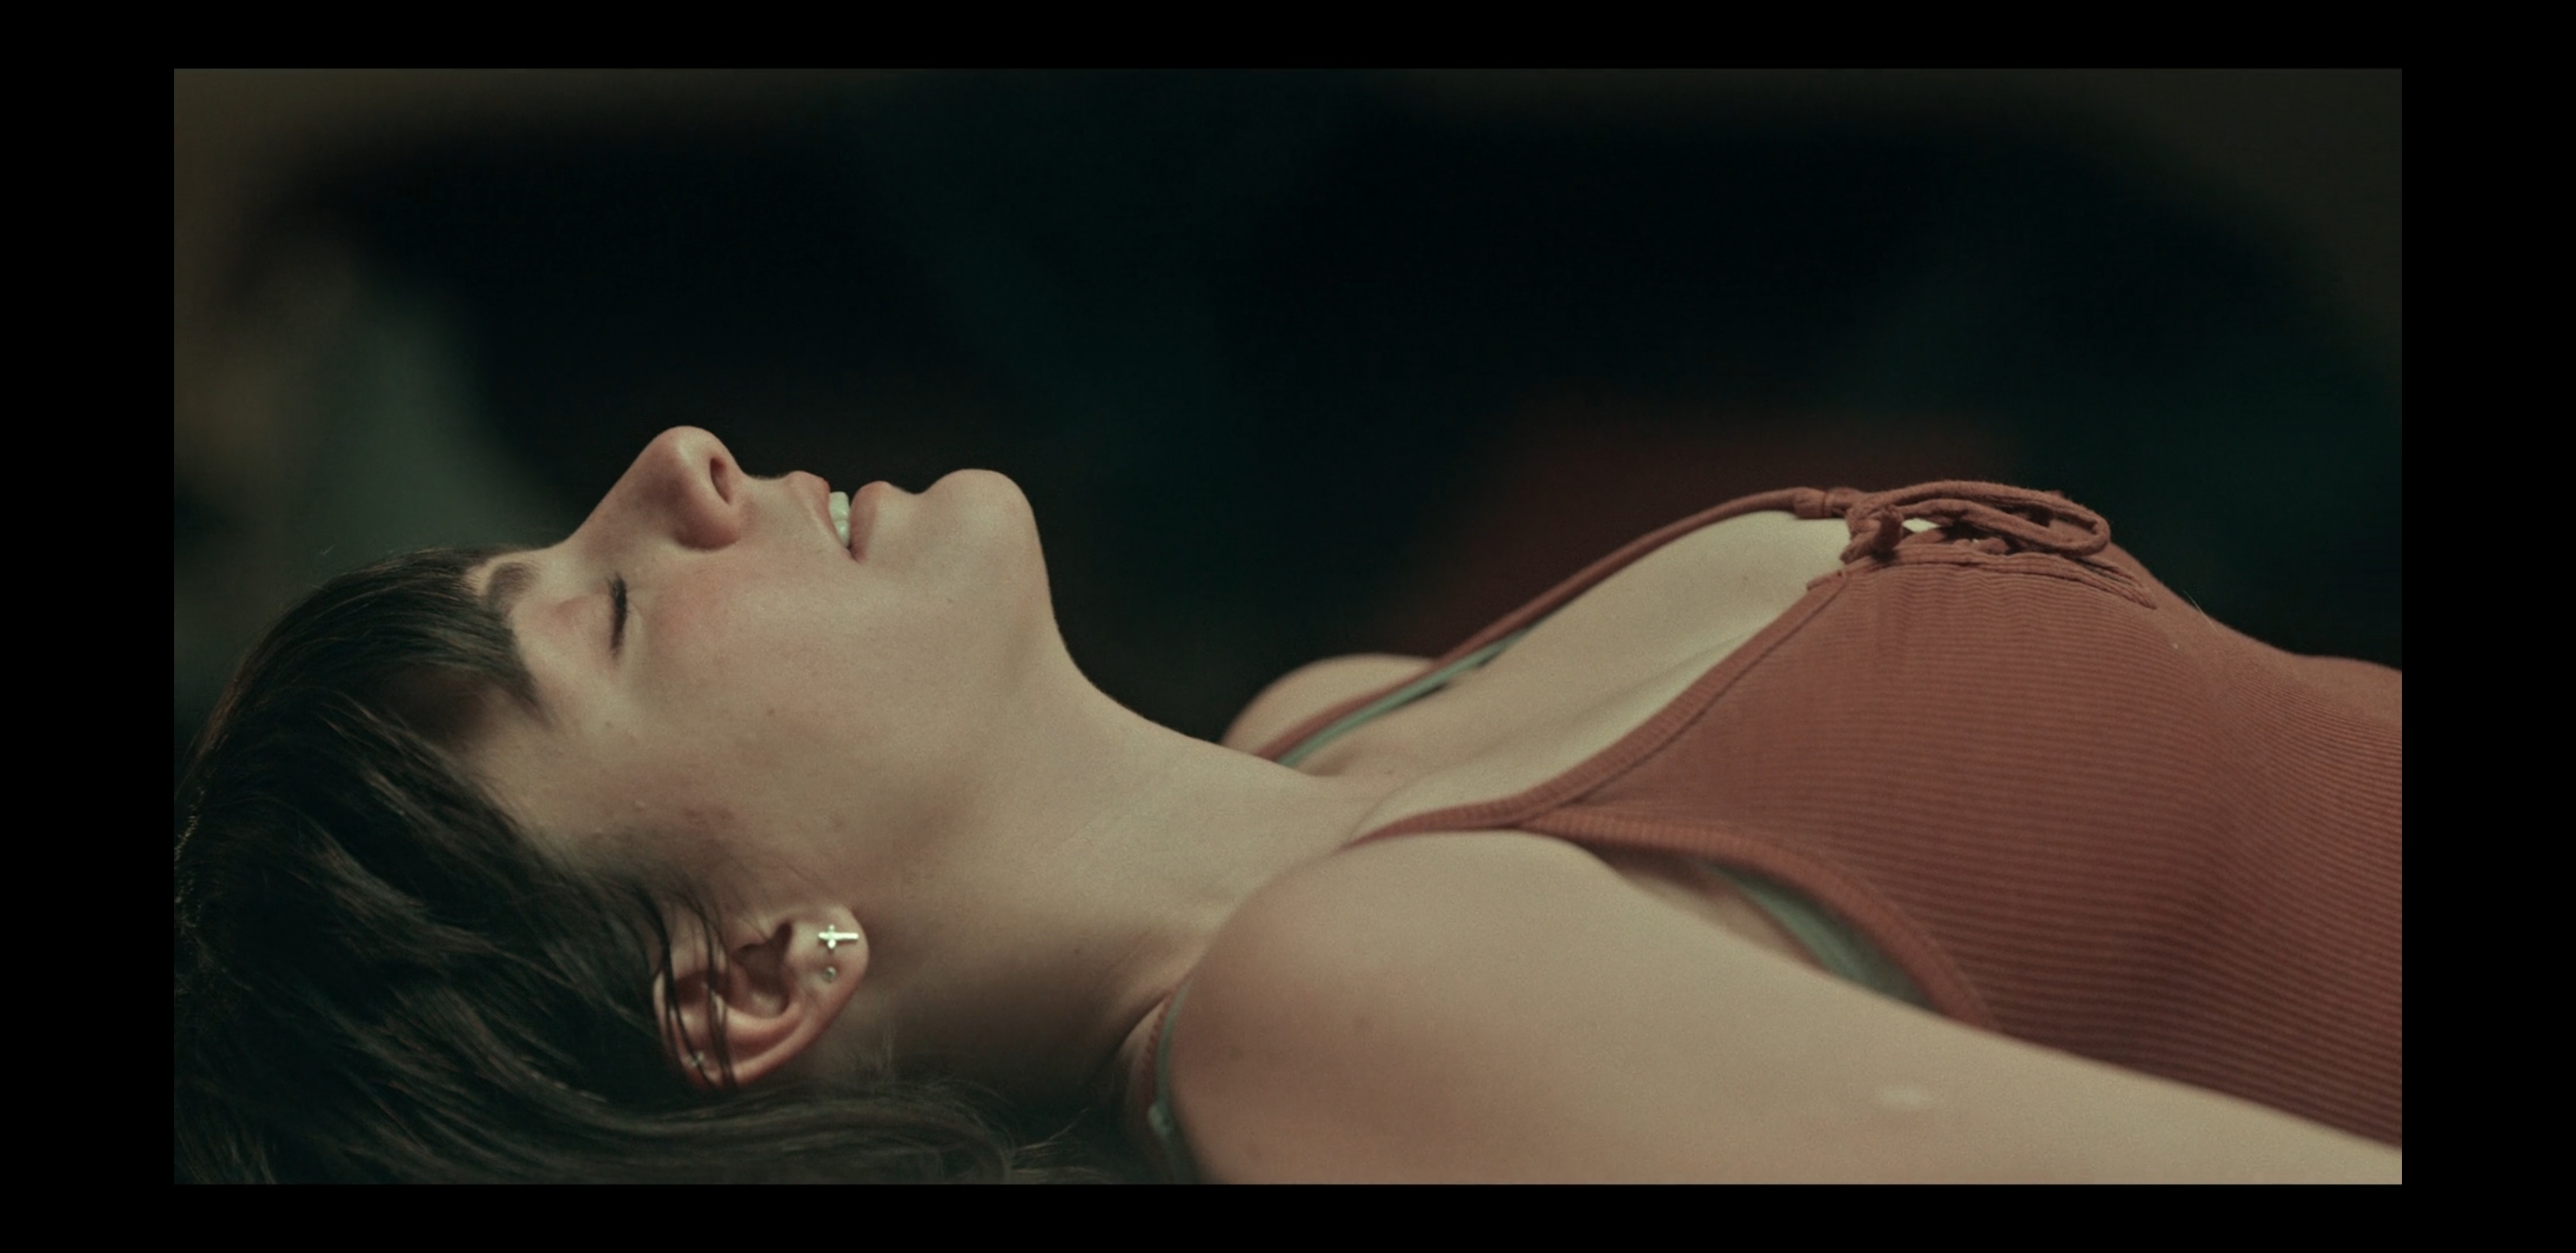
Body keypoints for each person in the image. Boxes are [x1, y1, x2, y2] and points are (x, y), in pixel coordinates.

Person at [173, 426, 2402, 1183]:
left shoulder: (1336, 735)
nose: (673, 466)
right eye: (606, 620)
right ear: (755, 974)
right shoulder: (1334, 1008)